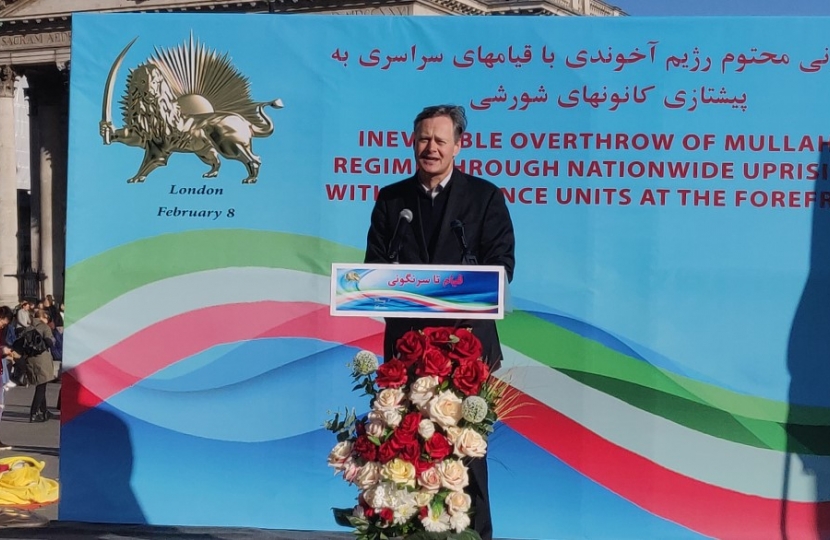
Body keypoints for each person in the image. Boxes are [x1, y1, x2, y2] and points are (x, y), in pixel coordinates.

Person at [364, 104, 515, 540]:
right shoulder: (393, 200)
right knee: (403, 452)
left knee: (466, 458)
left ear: (458, 145)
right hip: (408, 349)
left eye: (440, 140)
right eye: (423, 139)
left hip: (464, 352)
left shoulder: (484, 197)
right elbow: (375, 268)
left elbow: (502, 266)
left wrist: (452, 286)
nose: (430, 148)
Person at [25, 309, 55, 423]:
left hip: (30, 360)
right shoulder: (44, 327)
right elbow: (50, 342)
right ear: (42, 317)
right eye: (46, 318)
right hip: (42, 360)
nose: (47, 320)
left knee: (40, 385)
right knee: (41, 388)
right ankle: (33, 413)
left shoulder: (28, 328)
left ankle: (44, 411)